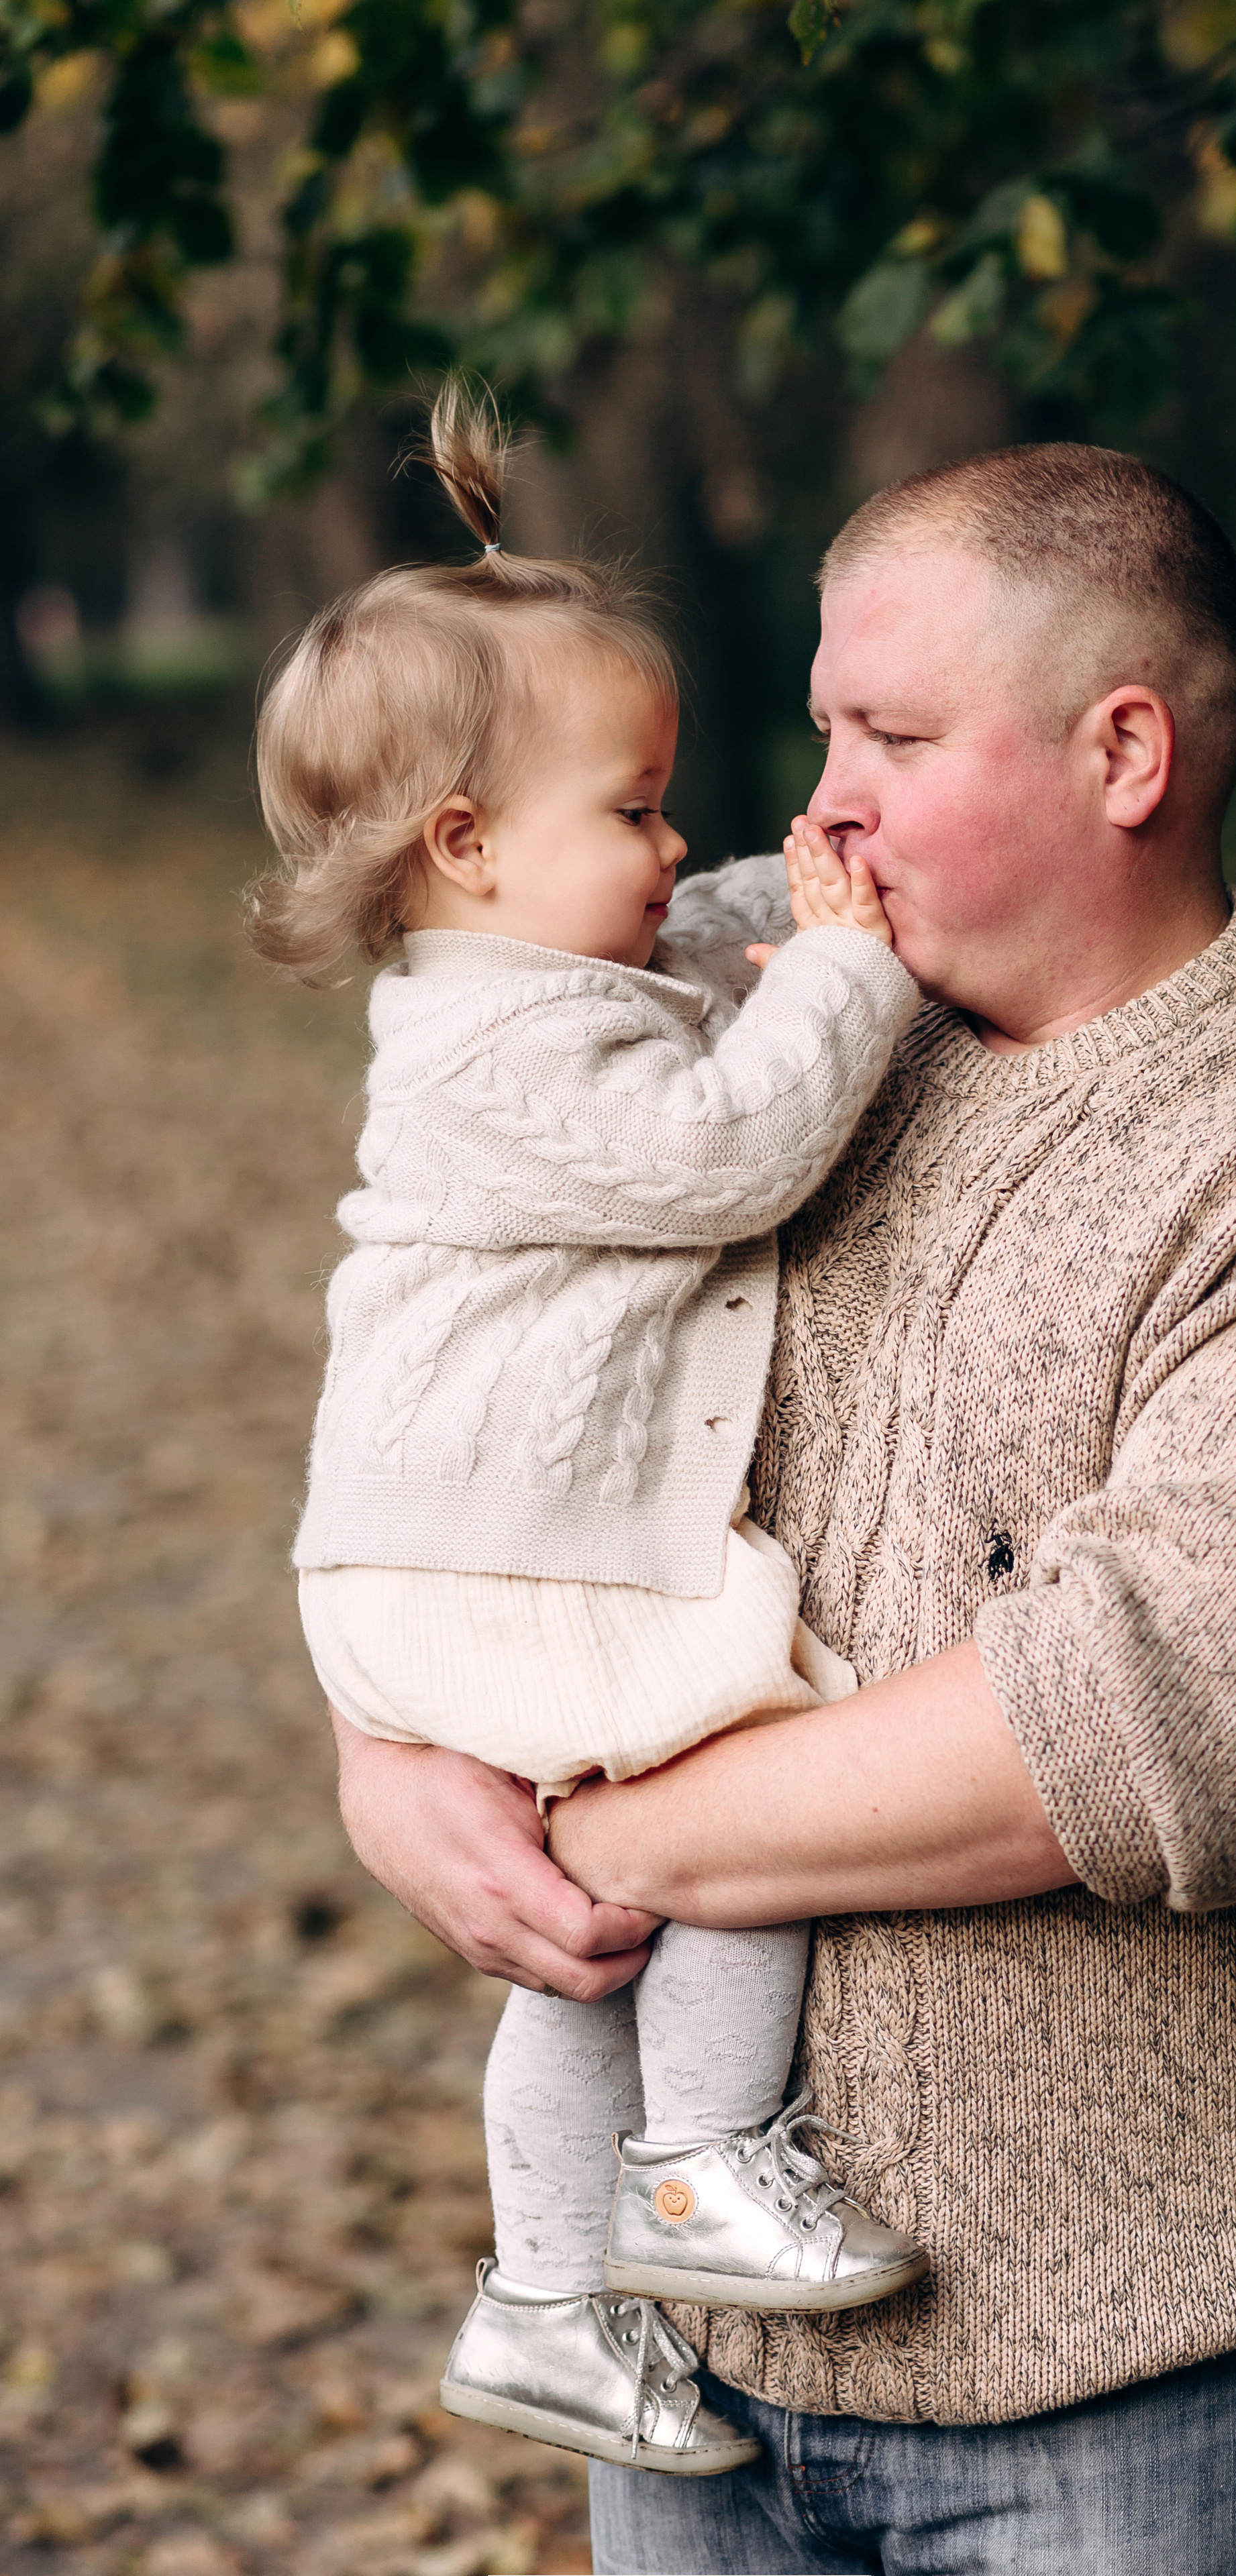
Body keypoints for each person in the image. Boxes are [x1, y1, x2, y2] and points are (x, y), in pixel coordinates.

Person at [331, 441, 1236, 2575]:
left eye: (892, 737)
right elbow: (470, 1376)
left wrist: (584, 1826)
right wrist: (392, 1746)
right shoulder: (728, 1010)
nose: (821, 811)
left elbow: (1147, 1732)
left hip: (1107, 2387)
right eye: (820, 731)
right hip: (686, 2372)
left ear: (1126, 753)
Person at [249, 382, 935, 2482]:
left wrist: (782, 900)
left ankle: (547, 2301)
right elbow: (727, 1142)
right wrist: (850, 978)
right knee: (749, 1776)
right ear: (464, 845)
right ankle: (701, 2165)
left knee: (585, 1951)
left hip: (451, 1549)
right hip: (487, 1557)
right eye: (635, 812)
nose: (674, 845)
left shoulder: (518, 987)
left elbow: (684, 947)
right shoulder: (498, 1051)